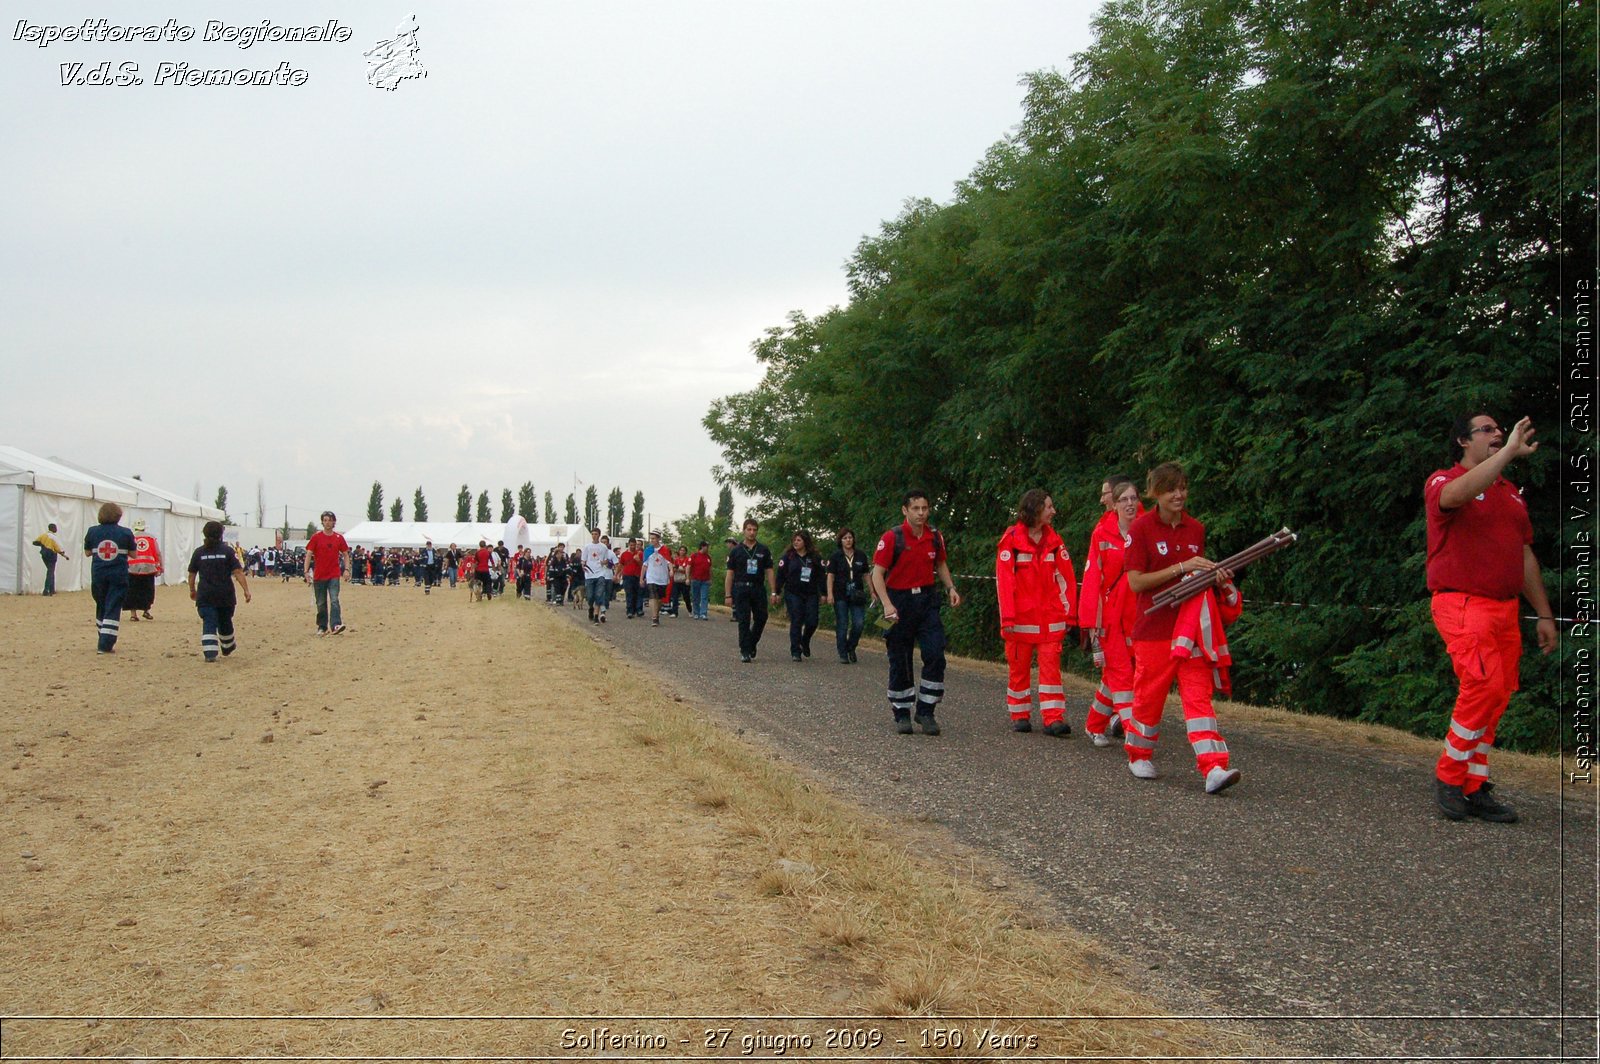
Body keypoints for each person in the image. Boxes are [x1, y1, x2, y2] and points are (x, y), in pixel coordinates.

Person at [1426, 414, 1558, 823]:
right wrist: (1506, 456)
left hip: (1504, 609)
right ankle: (1449, 775)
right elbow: (1460, 494)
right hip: (1463, 603)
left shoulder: (1511, 494)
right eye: (1488, 430)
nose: (1499, 433)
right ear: (1464, 441)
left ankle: (1474, 784)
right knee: (1481, 686)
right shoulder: (1443, 480)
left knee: (1497, 696)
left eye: (1501, 429)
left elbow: (1523, 555)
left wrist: (1543, 614)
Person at [1123, 463, 1241, 794]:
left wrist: (1213, 578)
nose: (1179, 494)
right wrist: (1182, 567)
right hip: (1153, 629)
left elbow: (1194, 577)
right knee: (1148, 697)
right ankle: (1138, 754)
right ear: (1156, 493)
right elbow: (1135, 583)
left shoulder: (1196, 529)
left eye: (1183, 487)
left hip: (1190, 629)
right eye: (1171, 489)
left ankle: (1213, 767)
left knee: (1198, 697)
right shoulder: (1141, 529)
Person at [870, 491, 962, 735]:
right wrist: (887, 605)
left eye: (925, 508)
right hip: (898, 602)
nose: (921, 513)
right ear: (905, 511)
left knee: (935, 653)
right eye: (916, 508)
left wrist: (950, 588)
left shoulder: (934, 537)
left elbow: (940, 564)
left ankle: (926, 710)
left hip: (927, 601)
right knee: (900, 659)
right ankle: (902, 712)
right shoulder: (893, 537)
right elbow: (877, 574)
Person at [995, 489, 1078, 736]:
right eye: (1049, 507)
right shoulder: (1011, 540)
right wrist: (1007, 617)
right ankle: (1019, 714)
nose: (1053, 511)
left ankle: (1053, 718)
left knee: (1051, 671)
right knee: (1018, 669)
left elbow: (1067, 579)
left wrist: (1070, 614)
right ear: (1036, 509)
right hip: (1019, 620)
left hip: (1050, 620)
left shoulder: (1055, 542)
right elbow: (1004, 581)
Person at [1080, 476, 1142, 745]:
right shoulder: (1102, 534)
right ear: (1114, 505)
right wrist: (1090, 622)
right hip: (1110, 617)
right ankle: (1136, 738)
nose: (1130, 504)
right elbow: (1093, 578)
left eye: (1133, 498)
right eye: (1123, 500)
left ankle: (1094, 724)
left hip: (1138, 615)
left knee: (1118, 676)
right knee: (1122, 676)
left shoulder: (1146, 529)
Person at [187, 520, 251, 662]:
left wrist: (192, 590)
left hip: (205, 595)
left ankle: (210, 653)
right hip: (225, 595)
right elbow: (238, 572)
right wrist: (246, 590)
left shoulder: (199, 552)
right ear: (221, 534)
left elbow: (192, 574)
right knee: (225, 621)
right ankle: (227, 646)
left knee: (209, 622)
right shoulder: (227, 551)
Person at [84, 502, 136, 653]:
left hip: (98, 574)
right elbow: (134, 554)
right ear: (118, 516)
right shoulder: (125, 532)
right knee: (113, 606)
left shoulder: (92, 531)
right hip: (118, 574)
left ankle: (102, 635)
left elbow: (87, 552)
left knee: (101, 604)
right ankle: (105, 644)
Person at [725, 519, 775, 661]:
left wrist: (773, 591)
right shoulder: (736, 551)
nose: (752, 532)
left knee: (762, 617)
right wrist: (728, 594)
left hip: (758, 588)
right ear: (744, 531)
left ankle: (752, 642)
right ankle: (745, 651)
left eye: (754, 530)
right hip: (741, 588)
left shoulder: (763, 550)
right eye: (749, 529)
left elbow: (770, 571)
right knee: (744, 620)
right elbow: (730, 574)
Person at [776, 530, 826, 661]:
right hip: (793, 593)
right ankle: (795, 651)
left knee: (812, 621)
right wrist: (776, 591)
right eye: (794, 540)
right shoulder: (788, 557)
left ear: (805, 542)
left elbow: (821, 576)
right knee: (796, 620)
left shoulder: (815, 557)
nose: (796, 542)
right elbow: (780, 575)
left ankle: (805, 641)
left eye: (799, 540)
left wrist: (824, 593)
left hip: (811, 593)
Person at [828, 527, 872, 663]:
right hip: (840, 593)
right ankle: (842, 653)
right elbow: (830, 576)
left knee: (859, 623)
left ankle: (851, 646)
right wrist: (830, 594)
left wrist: (872, 590)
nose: (848, 540)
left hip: (857, 594)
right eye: (845, 538)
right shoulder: (836, 556)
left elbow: (866, 574)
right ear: (840, 541)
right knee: (843, 623)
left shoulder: (860, 555)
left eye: (850, 537)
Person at [304, 510, 351, 635]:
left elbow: (346, 554)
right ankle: (322, 626)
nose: (327, 522)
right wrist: (306, 571)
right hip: (319, 575)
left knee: (334, 599)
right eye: (325, 520)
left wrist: (346, 569)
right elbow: (309, 554)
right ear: (322, 522)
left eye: (330, 520)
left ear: (334, 522)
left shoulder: (339, 538)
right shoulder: (316, 538)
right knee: (321, 602)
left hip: (334, 574)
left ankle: (336, 624)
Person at [124, 519, 163, 621]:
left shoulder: (130, 537)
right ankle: (146, 610)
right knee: (147, 590)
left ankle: (133, 614)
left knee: (132, 590)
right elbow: (158, 553)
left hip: (132, 568)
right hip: (148, 568)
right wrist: (160, 567)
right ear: (145, 527)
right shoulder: (151, 538)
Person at [580, 527, 618, 624]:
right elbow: (583, 559)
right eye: (592, 534)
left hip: (600, 574)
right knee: (590, 596)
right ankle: (591, 608)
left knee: (599, 594)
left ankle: (596, 616)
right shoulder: (587, 547)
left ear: (599, 535)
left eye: (596, 534)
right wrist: (583, 565)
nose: (594, 536)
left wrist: (604, 562)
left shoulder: (603, 547)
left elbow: (607, 560)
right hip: (589, 574)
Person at [642, 530, 673, 626]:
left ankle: (657, 614)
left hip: (662, 578)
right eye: (651, 538)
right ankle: (654, 618)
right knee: (652, 596)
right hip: (651, 577)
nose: (652, 540)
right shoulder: (648, 551)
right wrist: (641, 578)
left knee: (659, 599)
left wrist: (671, 570)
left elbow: (669, 562)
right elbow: (644, 565)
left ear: (659, 539)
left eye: (654, 538)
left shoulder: (665, 550)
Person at [32, 523, 68, 596]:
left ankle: (52, 589)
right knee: (50, 572)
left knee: (50, 571)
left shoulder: (43, 535)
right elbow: (58, 548)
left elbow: (35, 542)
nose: (56, 529)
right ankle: (46, 589)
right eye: (55, 528)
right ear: (53, 529)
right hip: (51, 555)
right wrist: (64, 555)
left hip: (44, 554)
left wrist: (43, 545)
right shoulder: (54, 537)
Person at [618, 538, 644, 618]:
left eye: (634, 545)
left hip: (637, 575)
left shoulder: (640, 554)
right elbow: (621, 564)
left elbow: (643, 565)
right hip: (627, 576)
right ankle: (630, 610)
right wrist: (617, 574)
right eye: (631, 545)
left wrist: (638, 560)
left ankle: (639, 609)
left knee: (639, 593)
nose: (633, 547)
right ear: (629, 545)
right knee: (629, 593)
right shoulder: (624, 554)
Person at [688, 541, 713, 619]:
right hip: (695, 579)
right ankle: (696, 613)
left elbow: (710, 569)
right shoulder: (694, 556)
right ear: (702, 546)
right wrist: (688, 578)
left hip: (705, 580)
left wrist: (711, 578)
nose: (708, 548)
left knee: (704, 597)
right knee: (695, 597)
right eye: (707, 546)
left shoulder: (708, 557)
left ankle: (703, 613)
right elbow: (688, 567)